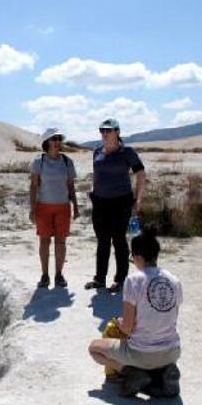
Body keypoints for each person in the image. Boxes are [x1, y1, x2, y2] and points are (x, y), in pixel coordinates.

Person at [87, 227, 182, 396]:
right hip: (172, 351)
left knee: (94, 348)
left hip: (142, 353)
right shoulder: (174, 280)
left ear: (137, 257)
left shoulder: (134, 280)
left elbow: (128, 328)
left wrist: (120, 323)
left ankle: (133, 373)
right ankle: (162, 373)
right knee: (151, 355)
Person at [85, 117, 146, 293]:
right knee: (102, 240)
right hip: (100, 202)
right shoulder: (97, 152)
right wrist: (93, 191)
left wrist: (138, 199)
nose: (104, 133)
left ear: (117, 132)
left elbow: (141, 175)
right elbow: (96, 174)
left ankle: (120, 280)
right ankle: (99, 279)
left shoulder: (127, 152)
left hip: (121, 202)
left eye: (108, 130)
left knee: (119, 240)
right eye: (102, 130)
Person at [29, 128, 79, 288]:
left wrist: (76, 206)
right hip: (43, 206)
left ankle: (59, 275)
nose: (57, 142)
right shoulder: (39, 161)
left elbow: (71, 186)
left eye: (59, 139)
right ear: (47, 142)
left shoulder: (67, 161)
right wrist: (32, 208)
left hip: (63, 207)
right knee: (44, 241)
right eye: (54, 139)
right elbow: (33, 186)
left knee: (61, 242)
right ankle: (45, 275)